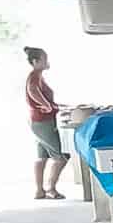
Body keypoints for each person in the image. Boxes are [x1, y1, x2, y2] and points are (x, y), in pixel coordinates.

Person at [24, 47, 70, 200]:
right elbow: (33, 91)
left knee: (42, 156)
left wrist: (55, 106)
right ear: (36, 62)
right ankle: (51, 188)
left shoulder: (38, 76)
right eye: (44, 59)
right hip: (42, 122)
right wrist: (47, 105)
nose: (47, 61)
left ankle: (39, 190)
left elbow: (42, 97)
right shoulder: (34, 77)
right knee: (61, 156)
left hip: (38, 121)